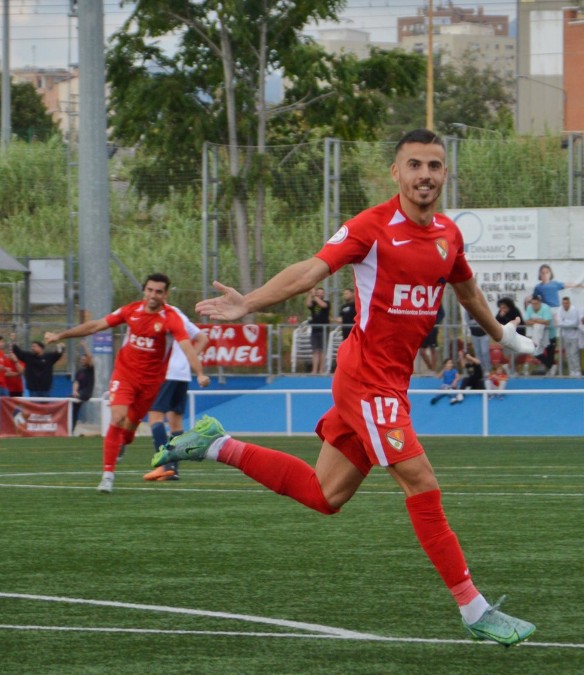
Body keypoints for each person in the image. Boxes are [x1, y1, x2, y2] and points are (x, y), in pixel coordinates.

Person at [151, 129, 536, 646]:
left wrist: (502, 334)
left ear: (445, 174)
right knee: (421, 482)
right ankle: (475, 610)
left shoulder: (448, 234)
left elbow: (464, 286)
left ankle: (216, 443)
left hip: (390, 383)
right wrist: (250, 303)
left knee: (326, 494)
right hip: (366, 379)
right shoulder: (371, 227)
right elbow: (311, 271)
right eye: (415, 165)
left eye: (435, 166)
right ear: (396, 173)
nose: (425, 175)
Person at [45, 273, 210, 494]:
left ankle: (127, 444)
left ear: (165, 294)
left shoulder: (171, 318)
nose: (153, 295)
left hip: (151, 383)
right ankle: (108, 475)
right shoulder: (130, 310)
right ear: (144, 290)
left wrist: (199, 372)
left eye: (158, 291)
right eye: (150, 290)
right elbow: (95, 326)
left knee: (130, 430)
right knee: (117, 417)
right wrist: (60, 335)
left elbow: (189, 345)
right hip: (124, 376)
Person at [143, 304, 209, 482]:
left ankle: (165, 466)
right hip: (182, 374)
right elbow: (202, 338)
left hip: (166, 373)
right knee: (176, 423)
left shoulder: (160, 314)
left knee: (155, 418)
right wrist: (188, 360)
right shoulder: (178, 313)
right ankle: (173, 470)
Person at [522, 294, 555, 375]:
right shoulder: (529, 308)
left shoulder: (545, 308)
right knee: (536, 352)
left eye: (536, 304)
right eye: (533, 304)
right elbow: (526, 321)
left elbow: (547, 321)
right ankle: (552, 366)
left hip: (550, 334)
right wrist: (539, 320)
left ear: (540, 303)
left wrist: (534, 320)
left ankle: (551, 369)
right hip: (537, 335)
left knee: (550, 353)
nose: (534, 306)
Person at [495, 297, 524, 374]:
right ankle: (511, 369)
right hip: (506, 337)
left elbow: (519, 323)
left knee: (517, 352)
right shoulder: (500, 312)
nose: (502, 309)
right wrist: (500, 316)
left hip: (517, 336)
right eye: (501, 307)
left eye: (504, 307)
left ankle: (509, 367)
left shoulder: (515, 311)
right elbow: (496, 322)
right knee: (510, 354)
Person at [555, 296, 582, 376]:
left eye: (566, 303)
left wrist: (564, 322)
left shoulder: (574, 310)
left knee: (574, 353)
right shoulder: (560, 309)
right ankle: (571, 371)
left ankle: (577, 370)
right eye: (564, 303)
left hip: (574, 335)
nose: (565, 305)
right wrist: (566, 323)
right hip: (565, 335)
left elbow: (575, 323)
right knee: (568, 354)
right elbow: (559, 322)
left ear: (569, 303)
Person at [307, 287, 330, 374]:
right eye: (318, 292)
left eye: (321, 293)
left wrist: (315, 296)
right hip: (314, 330)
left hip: (323, 330)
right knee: (315, 350)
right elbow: (308, 304)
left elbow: (323, 305)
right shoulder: (313, 303)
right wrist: (310, 294)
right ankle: (314, 370)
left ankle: (321, 370)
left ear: (323, 294)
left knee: (322, 350)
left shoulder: (327, 303)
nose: (320, 294)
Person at [71, 351, 95, 426]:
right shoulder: (79, 371)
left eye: (84, 359)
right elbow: (76, 382)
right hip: (79, 393)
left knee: (79, 396)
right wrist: (74, 391)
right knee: (71, 406)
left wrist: (84, 346)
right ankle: (71, 429)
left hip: (86, 393)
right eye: (81, 359)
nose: (82, 361)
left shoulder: (90, 369)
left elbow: (90, 357)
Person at [419, 304, 445, 374]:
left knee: (433, 348)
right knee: (422, 351)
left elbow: (442, 314)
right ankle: (430, 368)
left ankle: (432, 370)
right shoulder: (421, 300)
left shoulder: (436, 301)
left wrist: (435, 322)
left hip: (433, 329)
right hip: (423, 328)